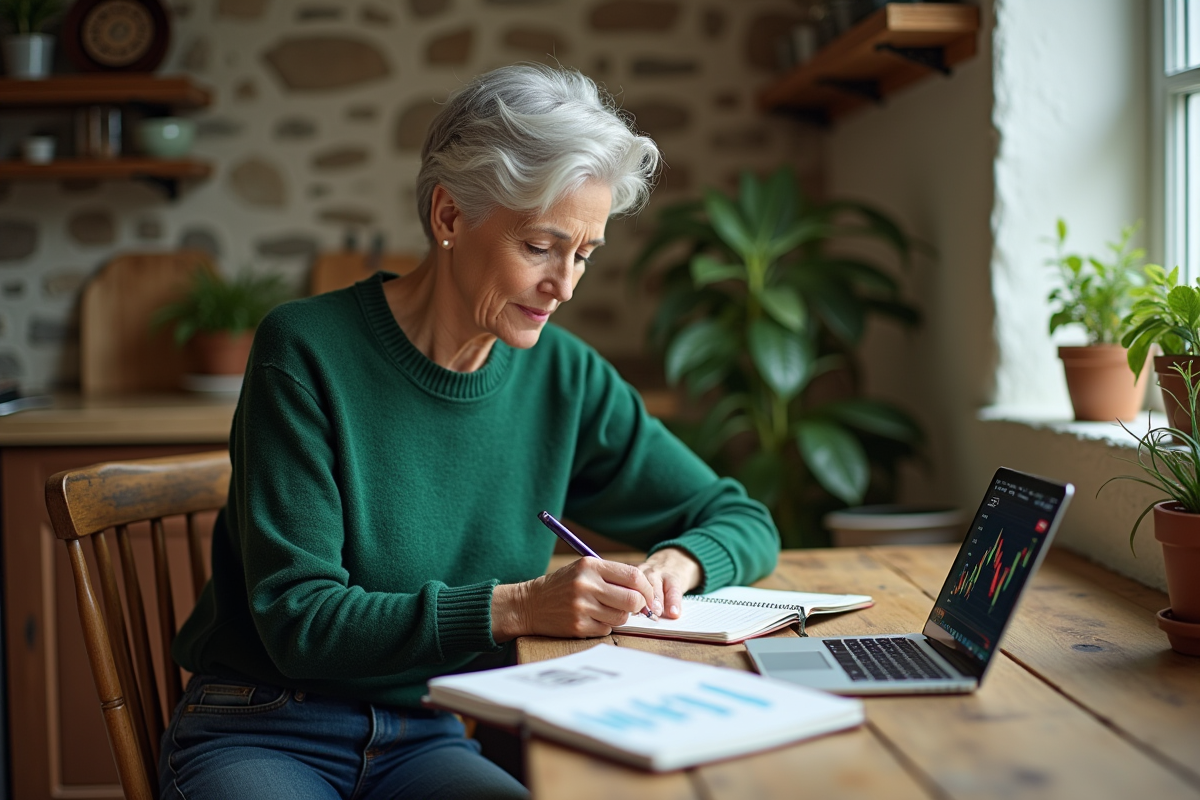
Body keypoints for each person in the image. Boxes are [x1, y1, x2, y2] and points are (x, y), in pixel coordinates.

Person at [160, 64, 780, 800]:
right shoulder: (304, 351)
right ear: (449, 217)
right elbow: (301, 622)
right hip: (265, 725)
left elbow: (741, 517)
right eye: (542, 247)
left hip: (426, 736)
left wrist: (676, 566)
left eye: (584, 253)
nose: (567, 285)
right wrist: (518, 606)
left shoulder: (566, 379)